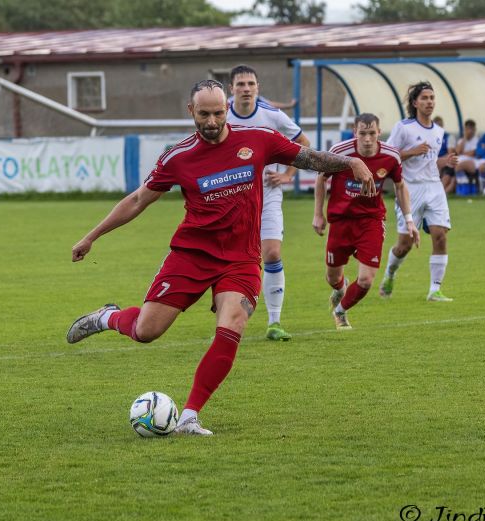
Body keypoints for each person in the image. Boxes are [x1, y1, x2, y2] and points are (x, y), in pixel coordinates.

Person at [66, 80, 375, 436]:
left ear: (226, 109)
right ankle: (109, 317)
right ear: (190, 112)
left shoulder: (258, 139)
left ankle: (190, 416)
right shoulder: (177, 157)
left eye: (217, 113)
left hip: (241, 259)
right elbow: (138, 200)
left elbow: (309, 158)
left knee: (233, 323)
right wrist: (92, 236)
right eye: (203, 114)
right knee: (146, 331)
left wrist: (351, 162)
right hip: (192, 255)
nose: (211, 121)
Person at [225, 64, 311, 342]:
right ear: (231, 89)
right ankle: (226, 307)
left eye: (251, 84)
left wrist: (288, 174)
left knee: (271, 253)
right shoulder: (220, 113)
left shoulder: (272, 115)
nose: (246, 89)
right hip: (230, 197)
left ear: (258, 88)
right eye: (241, 84)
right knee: (229, 257)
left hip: (267, 194)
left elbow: (304, 144)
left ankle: (274, 322)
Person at [313, 113, 419, 330]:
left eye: (372, 133)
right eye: (363, 133)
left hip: (371, 221)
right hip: (341, 221)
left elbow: (400, 186)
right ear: (355, 133)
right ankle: (340, 288)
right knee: (333, 277)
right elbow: (321, 179)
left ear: (379, 133)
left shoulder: (391, 156)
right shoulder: (340, 153)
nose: (368, 138)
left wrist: (409, 220)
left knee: (366, 280)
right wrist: (318, 214)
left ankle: (340, 312)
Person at [379, 81, 458, 302]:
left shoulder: (439, 132)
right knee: (404, 245)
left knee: (440, 236)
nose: (429, 102)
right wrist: (412, 151)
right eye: (424, 98)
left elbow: (430, 162)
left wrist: (445, 161)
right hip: (409, 189)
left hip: (434, 187)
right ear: (415, 103)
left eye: (432, 98)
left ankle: (435, 290)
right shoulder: (403, 127)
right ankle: (390, 274)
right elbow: (388, 156)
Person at [453, 119, 479, 192]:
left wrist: (462, 153)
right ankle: (462, 183)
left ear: (474, 129)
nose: (469, 131)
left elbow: (473, 153)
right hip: (460, 161)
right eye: (467, 129)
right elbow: (457, 152)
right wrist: (464, 138)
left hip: (472, 161)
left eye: (471, 129)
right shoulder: (461, 140)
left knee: (458, 165)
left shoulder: (476, 140)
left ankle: (463, 182)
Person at [433, 116, 456, 194]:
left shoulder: (449, 137)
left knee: (447, 174)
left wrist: (439, 160)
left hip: (446, 162)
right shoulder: (430, 138)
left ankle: (439, 193)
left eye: (440, 125)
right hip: (434, 162)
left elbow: (451, 153)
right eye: (436, 125)